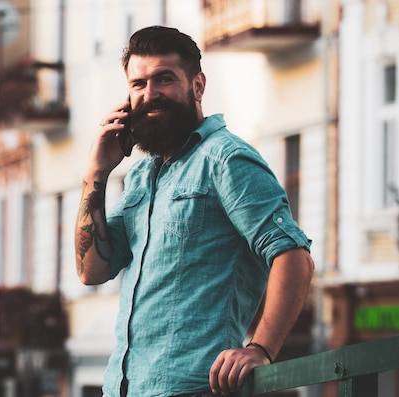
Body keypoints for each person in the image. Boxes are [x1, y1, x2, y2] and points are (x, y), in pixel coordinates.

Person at [74, 26, 314, 397]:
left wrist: (260, 349)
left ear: (198, 86)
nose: (150, 95)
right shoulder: (141, 176)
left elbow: (293, 256)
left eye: (164, 80)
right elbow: (92, 270)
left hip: (193, 388)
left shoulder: (227, 159)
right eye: (138, 84)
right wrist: (96, 173)